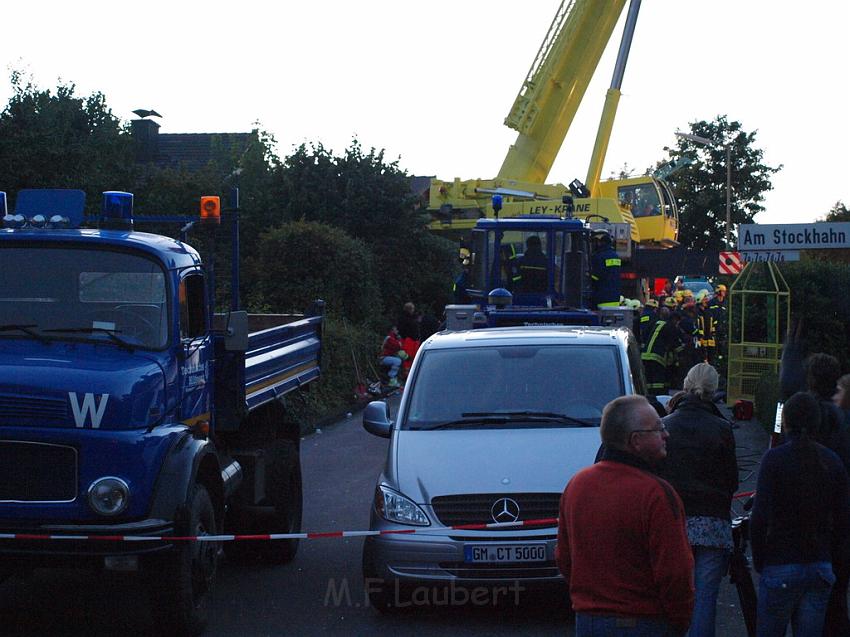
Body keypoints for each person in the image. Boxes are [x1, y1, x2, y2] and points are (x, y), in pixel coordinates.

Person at [557, 395, 694, 636]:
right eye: (658, 428)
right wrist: (680, 621)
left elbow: (565, 557)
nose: (666, 434)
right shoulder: (656, 494)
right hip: (644, 622)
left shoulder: (576, 485)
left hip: (589, 621)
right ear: (636, 441)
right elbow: (675, 572)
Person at [750, 391, 850, 637]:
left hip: (780, 563)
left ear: (786, 423)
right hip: (819, 566)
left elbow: (760, 516)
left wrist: (760, 559)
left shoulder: (774, 460)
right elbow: (843, 520)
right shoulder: (831, 461)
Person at [657, 363, 737, 637]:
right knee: (705, 599)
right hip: (713, 524)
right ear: (715, 391)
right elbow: (732, 480)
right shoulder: (722, 428)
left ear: (685, 384)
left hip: (673, 522)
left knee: (672, 597)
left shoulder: (665, 426)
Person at [642, 311, 684, 397]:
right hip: (657, 357)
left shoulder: (656, 323)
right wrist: (682, 353)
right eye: (677, 322)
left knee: (649, 380)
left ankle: (648, 396)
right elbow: (675, 344)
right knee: (658, 382)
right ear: (675, 320)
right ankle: (659, 397)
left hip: (644, 355)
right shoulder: (670, 327)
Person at [590, 230, 621, 309]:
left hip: (601, 298)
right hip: (615, 298)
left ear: (601, 243)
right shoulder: (615, 256)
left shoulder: (599, 257)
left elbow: (595, 277)